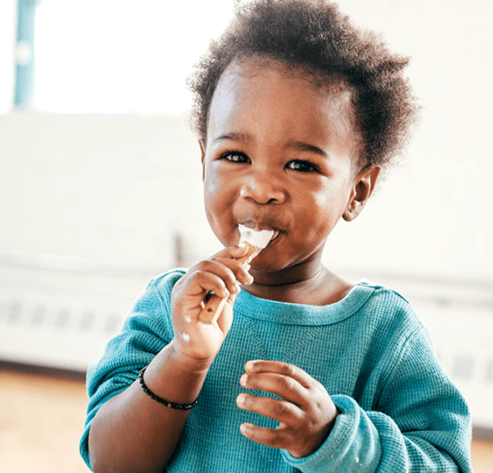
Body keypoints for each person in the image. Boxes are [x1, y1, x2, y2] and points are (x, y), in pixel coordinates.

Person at [80, 0, 472, 471]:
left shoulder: (385, 333)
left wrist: (333, 438)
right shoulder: (167, 306)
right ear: (203, 161)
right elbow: (112, 461)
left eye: (301, 165)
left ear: (357, 191)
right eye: (235, 156)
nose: (261, 188)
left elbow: (445, 463)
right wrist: (182, 361)